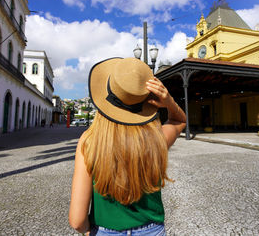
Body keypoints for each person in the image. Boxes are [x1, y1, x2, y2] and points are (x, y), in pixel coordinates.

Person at [69, 57, 186, 235]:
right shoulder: (157, 139)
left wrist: (87, 231)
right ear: (145, 102)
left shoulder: (89, 141)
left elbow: (77, 220)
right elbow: (179, 120)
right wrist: (169, 101)